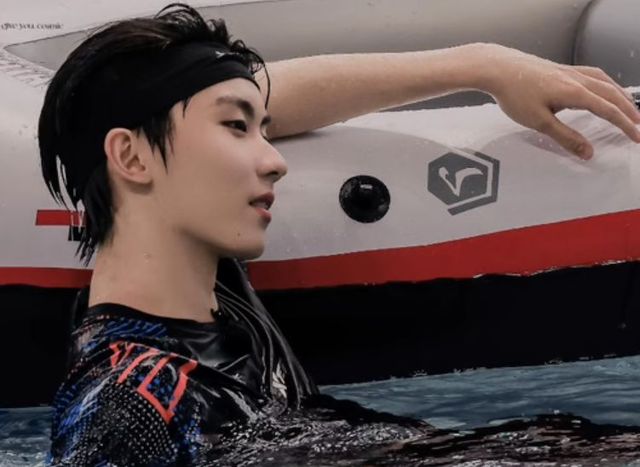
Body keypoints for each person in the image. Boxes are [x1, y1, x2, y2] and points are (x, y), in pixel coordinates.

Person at [38, 3, 640, 465]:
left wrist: (484, 65)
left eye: (262, 128)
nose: (276, 159)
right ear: (132, 158)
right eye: (237, 128)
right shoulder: (129, 405)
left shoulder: (203, 286)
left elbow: (263, 91)